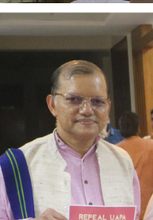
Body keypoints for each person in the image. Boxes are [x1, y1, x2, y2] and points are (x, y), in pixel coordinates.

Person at [0, 60, 140, 220]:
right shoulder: (16, 165)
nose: (87, 110)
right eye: (74, 99)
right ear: (52, 104)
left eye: (98, 101)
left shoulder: (122, 163)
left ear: (107, 108)